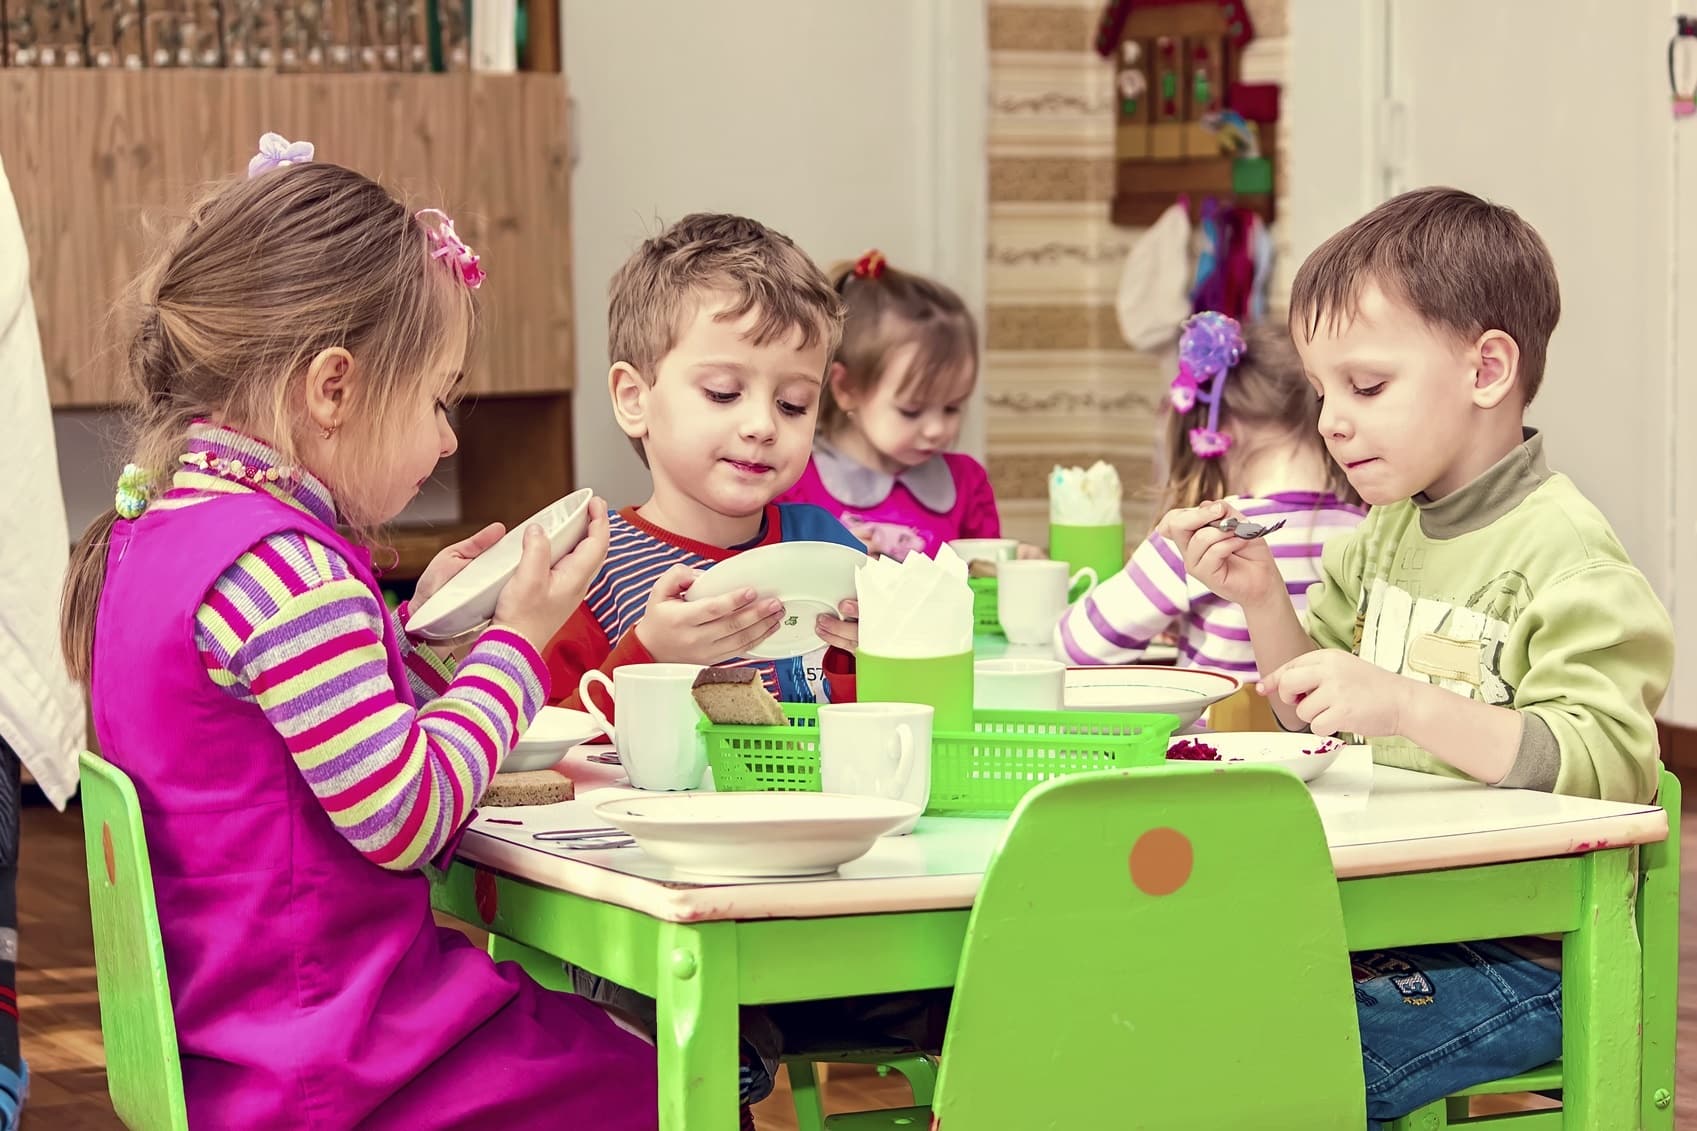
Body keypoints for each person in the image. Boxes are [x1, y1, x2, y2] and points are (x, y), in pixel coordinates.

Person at [58, 135, 659, 1129]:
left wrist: (426, 641)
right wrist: (516, 644)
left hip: (228, 1044)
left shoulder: (156, 534)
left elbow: (292, 750)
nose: (448, 437)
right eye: (435, 398)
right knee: (653, 1081)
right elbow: (405, 816)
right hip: (338, 1059)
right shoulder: (287, 570)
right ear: (332, 389)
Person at [1160, 187, 1674, 1123]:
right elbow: (1303, 708)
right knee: (1182, 1007)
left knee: (1271, 1068)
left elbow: (1610, 766)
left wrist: (1399, 703)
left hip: (1531, 949)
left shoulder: (1565, 554)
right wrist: (1261, 598)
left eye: (1365, 387)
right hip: (1388, 916)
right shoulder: (1381, 535)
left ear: (1485, 369)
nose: (1330, 422)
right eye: (1322, 393)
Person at [1057, 312, 1362, 676]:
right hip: (1321, 733)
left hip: (1213, 733)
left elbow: (1080, 646)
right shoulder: (1368, 531)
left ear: (1221, 424)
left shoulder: (1205, 534)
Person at [780, 249, 1002, 560]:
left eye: (952, 407)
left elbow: (985, 585)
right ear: (846, 387)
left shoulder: (967, 484)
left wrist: (1014, 570)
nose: (938, 429)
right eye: (911, 411)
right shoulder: (793, 479)